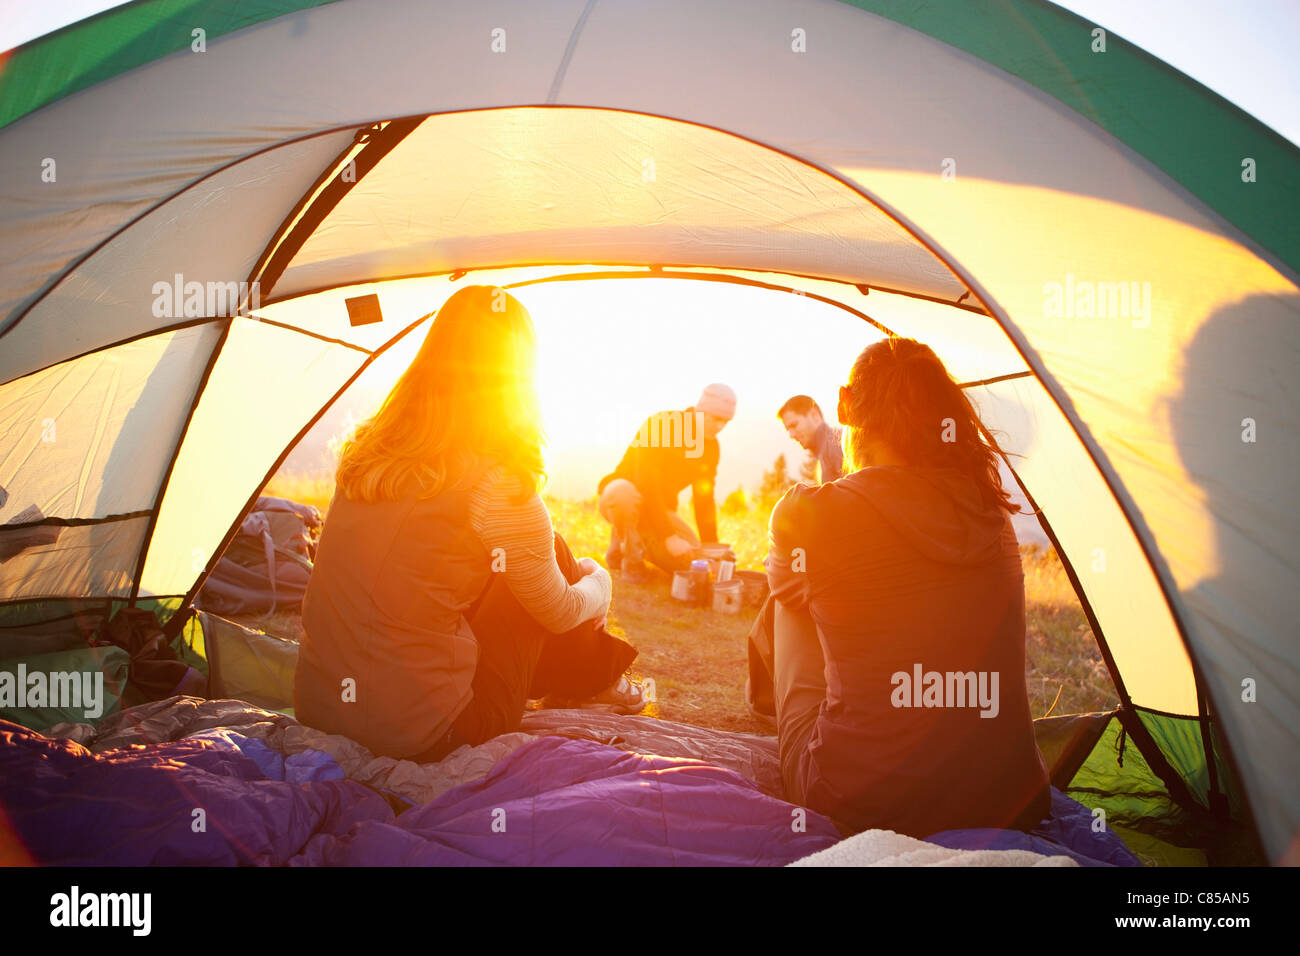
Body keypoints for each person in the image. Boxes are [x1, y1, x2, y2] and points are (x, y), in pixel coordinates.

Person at [294, 285, 643, 764]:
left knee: (535, 555)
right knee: (555, 562)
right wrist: (598, 580)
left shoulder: (367, 455)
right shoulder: (497, 484)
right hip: (430, 733)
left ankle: (594, 678)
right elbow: (559, 612)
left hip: (320, 708)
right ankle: (599, 680)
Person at [747, 337, 1051, 838]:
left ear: (846, 406)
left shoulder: (811, 510)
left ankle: (795, 717)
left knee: (790, 592)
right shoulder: (989, 507)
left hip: (862, 797)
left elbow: (788, 588)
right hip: (1007, 796)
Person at [597, 384, 736, 579]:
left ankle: (632, 545)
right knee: (624, 495)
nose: (720, 427)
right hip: (622, 496)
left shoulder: (711, 448)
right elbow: (645, 483)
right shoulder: (662, 424)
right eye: (716, 418)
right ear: (700, 410)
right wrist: (668, 536)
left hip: (661, 510)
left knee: (691, 562)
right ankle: (629, 560)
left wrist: (711, 551)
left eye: (726, 421)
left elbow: (703, 500)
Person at [777, 394, 844, 483]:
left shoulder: (837, 444)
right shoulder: (824, 453)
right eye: (788, 430)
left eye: (794, 425)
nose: (791, 435)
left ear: (814, 415)